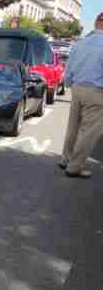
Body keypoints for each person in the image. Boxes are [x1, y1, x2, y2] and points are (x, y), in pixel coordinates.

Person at [59, 12, 103, 179]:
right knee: (89, 132)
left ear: (95, 23)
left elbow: (68, 68)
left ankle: (66, 158)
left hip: (77, 88)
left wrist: (70, 84)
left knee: (74, 126)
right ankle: (74, 167)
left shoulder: (81, 43)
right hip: (97, 91)